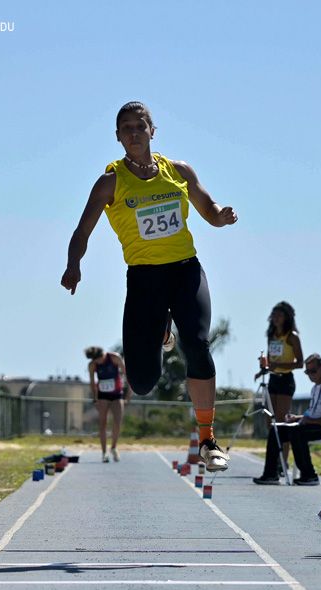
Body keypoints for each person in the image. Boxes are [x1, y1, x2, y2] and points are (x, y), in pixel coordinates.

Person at [61, 101, 237, 471]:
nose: (134, 133)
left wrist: (220, 216)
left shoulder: (179, 171)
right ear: (118, 137)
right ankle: (162, 330)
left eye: (140, 126)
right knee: (142, 382)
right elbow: (82, 230)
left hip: (185, 271)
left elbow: (208, 208)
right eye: (126, 128)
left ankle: (208, 439)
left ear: (152, 130)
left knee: (198, 343)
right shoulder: (110, 182)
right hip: (144, 280)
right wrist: (73, 265)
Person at [253, 353, 321, 486]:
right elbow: (313, 414)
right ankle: (271, 474)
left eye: (313, 371)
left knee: (297, 432)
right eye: (308, 372)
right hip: (310, 424)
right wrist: (297, 418)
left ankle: (310, 475)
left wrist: (312, 422)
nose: (310, 375)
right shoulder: (314, 388)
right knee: (276, 430)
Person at [85, 346, 130, 463]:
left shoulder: (115, 358)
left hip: (117, 395)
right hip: (103, 396)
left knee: (117, 421)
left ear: (102, 354)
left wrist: (128, 394)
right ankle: (104, 452)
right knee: (102, 423)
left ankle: (114, 447)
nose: (98, 362)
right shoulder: (92, 365)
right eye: (95, 361)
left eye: (99, 359)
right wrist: (95, 399)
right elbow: (92, 383)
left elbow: (127, 374)